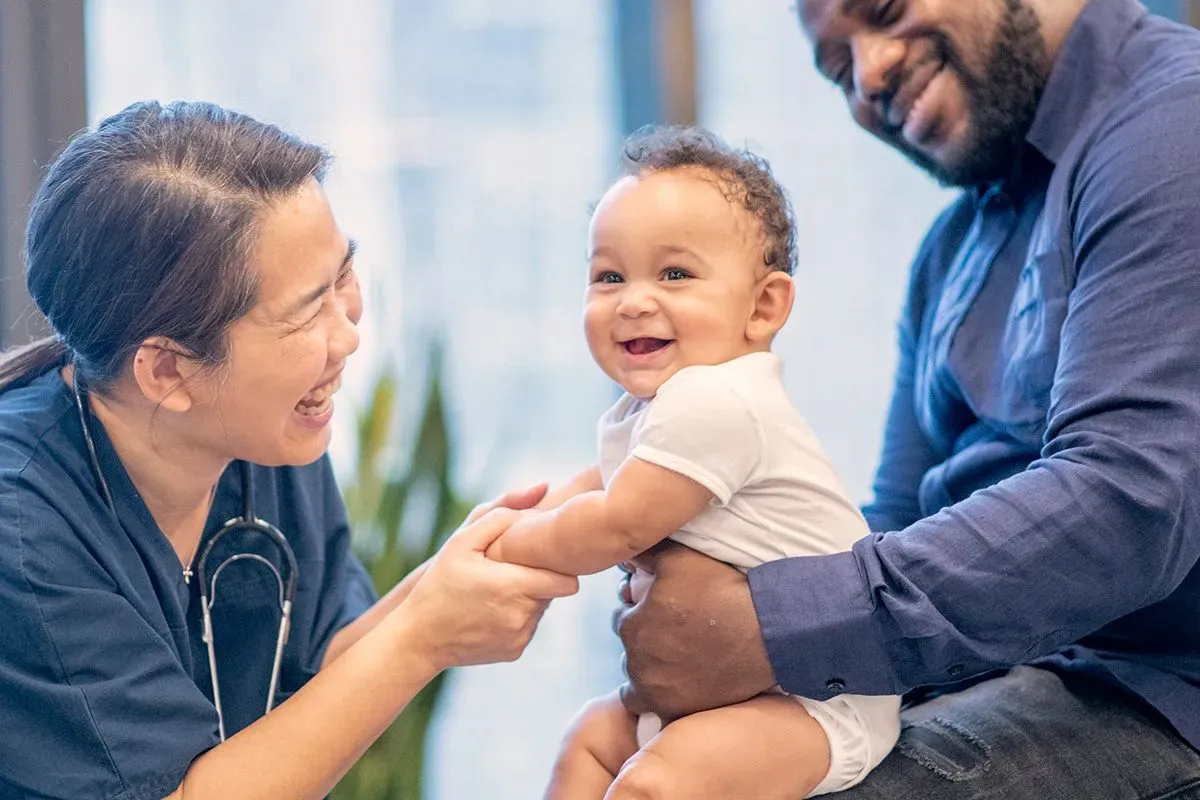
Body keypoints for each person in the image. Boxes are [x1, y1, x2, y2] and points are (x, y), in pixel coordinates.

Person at [612, 0, 1200, 796]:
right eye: (837, 69)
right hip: (1000, 679)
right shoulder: (951, 252)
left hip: (1153, 693)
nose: (871, 72)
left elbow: (1132, 504)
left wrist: (763, 626)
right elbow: (893, 518)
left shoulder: (1176, 125)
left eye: (883, 10)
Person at [0, 100, 578, 800]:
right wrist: (426, 634)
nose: (349, 336)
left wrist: (467, 568)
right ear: (167, 371)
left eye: (343, 277)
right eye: (308, 311)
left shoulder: (256, 430)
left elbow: (315, 668)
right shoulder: (21, 528)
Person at [487, 125, 900, 799]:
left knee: (658, 783)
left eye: (675, 274)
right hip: (730, 682)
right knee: (589, 741)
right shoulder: (658, 408)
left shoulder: (721, 399)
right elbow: (599, 484)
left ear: (763, 307)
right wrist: (531, 509)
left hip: (818, 701)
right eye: (609, 276)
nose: (634, 299)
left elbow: (620, 522)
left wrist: (511, 545)